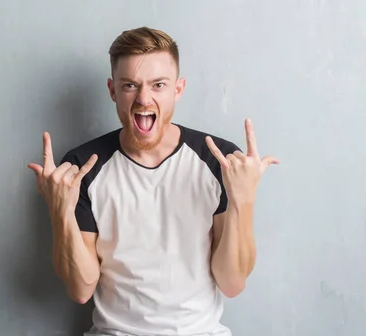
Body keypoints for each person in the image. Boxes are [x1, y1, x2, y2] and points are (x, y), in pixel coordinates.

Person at [28, 26, 278, 336]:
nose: (144, 98)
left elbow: (232, 283)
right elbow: (81, 289)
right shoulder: (83, 167)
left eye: (158, 85)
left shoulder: (219, 160)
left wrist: (244, 201)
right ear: (112, 90)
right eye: (130, 85)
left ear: (178, 89)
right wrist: (59, 212)